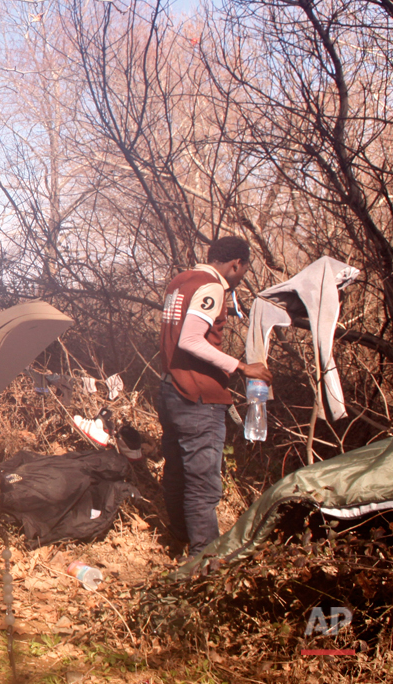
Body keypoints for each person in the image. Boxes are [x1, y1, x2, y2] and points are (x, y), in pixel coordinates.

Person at [157, 236, 273, 557]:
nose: (242, 276)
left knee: (177, 470)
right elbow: (190, 340)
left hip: (169, 388)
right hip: (197, 396)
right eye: (244, 269)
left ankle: (179, 537)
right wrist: (241, 367)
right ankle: (204, 562)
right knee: (203, 485)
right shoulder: (211, 287)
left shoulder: (179, 282)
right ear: (236, 264)